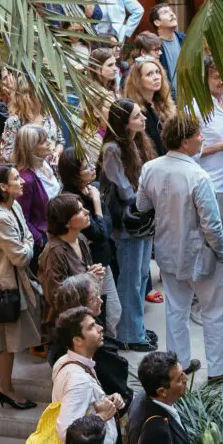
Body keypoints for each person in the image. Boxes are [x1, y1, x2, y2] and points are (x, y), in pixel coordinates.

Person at [136, 113, 223, 383]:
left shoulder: (150, 168)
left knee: (175, 310)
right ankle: (218, 368)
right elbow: (212, 225)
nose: (202, 138)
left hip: (167, 253)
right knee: (214, 311)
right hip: (200, 256)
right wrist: (222, 253)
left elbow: (142, 206)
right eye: (197, 135)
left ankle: (177, 364)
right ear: (184, 142)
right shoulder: (198, 176)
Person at [99, 99, 159, 352]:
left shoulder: (137, 142)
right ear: (124, 121)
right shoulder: (112, 149)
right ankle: (128, 334)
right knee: (131, 280)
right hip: (127, 222)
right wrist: (148, 197)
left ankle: (136, 328)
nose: (143, 118)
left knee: (142, 275)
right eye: (137, 116)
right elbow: (124, 189)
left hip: (141, 219)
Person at [0, 164, 42, 410]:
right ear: (3, 187)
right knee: (7, 343)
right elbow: (21, 255)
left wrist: (25, 242)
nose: (22, 182)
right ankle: (5, 389)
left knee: (11, 342)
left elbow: (26, 236)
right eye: (16, 178)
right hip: (5, 287)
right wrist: (27, 244)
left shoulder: (13, 207)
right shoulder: (0, 217)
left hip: (14, 283)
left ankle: (6, 388)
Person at [51, 307, 124, 444]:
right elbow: (66, 431)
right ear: (77, 340)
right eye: (91, 327)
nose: (99, 328)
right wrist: (101, 417)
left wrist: (103, 400)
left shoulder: (66, 362)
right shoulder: (78, 380)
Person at [57, 149, 120, 337]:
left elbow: (108, 225)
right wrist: (97, 203)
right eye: (87, 167)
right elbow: (100, 233)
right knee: (99, 315)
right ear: (74, 174)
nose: (93, 168)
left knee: (113, 312)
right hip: (89, 266)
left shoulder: (93, 188)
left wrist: (100, 218)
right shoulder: (72, 199)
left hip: (103, 260)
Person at [47, 274, 132, 409]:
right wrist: (103, 414)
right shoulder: (79, 350)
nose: (101, 301)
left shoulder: (82, 330)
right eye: (93, 298)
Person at [195, 57, 223, 302]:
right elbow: (189, 151)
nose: (222, 81)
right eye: (216, 77)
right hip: (211, 183)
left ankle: (219, 286)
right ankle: (200, 299)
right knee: (208, 242)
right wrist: (220, 146)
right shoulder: (196, 106)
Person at [38, 194, 103, 331]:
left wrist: (93, 274)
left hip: (82, 318)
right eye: (79, 211)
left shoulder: (80, 238)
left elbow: (86, 275)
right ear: (66, 222)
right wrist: (88, 278)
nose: (87, 212)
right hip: (67, 326)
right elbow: (54, 297)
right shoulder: (55, 252)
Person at [12, 124, 59, 263]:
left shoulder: (45, 164)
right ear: (31, 148)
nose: (48, 144)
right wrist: (40, 241)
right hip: (44, 242)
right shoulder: (26, 179)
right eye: (43, 141)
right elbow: (22, 218)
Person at [0, 75, 62, 163]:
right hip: (27, 174)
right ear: (25, 95)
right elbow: (7, 155)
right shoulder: (15, 121)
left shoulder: (50, 116)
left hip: (50, 173)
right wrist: (38, 153)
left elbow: (60, 141)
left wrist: (57, 152)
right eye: (41, 91)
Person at [123, 55, 176, 157]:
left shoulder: (164, 102)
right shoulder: (134, 110)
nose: (156, 77)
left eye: (157, 72)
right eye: (149, 74)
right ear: (138, 80)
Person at [148, 3, 186, 94]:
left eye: (171, 11)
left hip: (189, 96)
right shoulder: (153, 46)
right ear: (157, 22)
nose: (172, 14)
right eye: (165, 12)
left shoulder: (184, 39)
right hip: (167, 97)